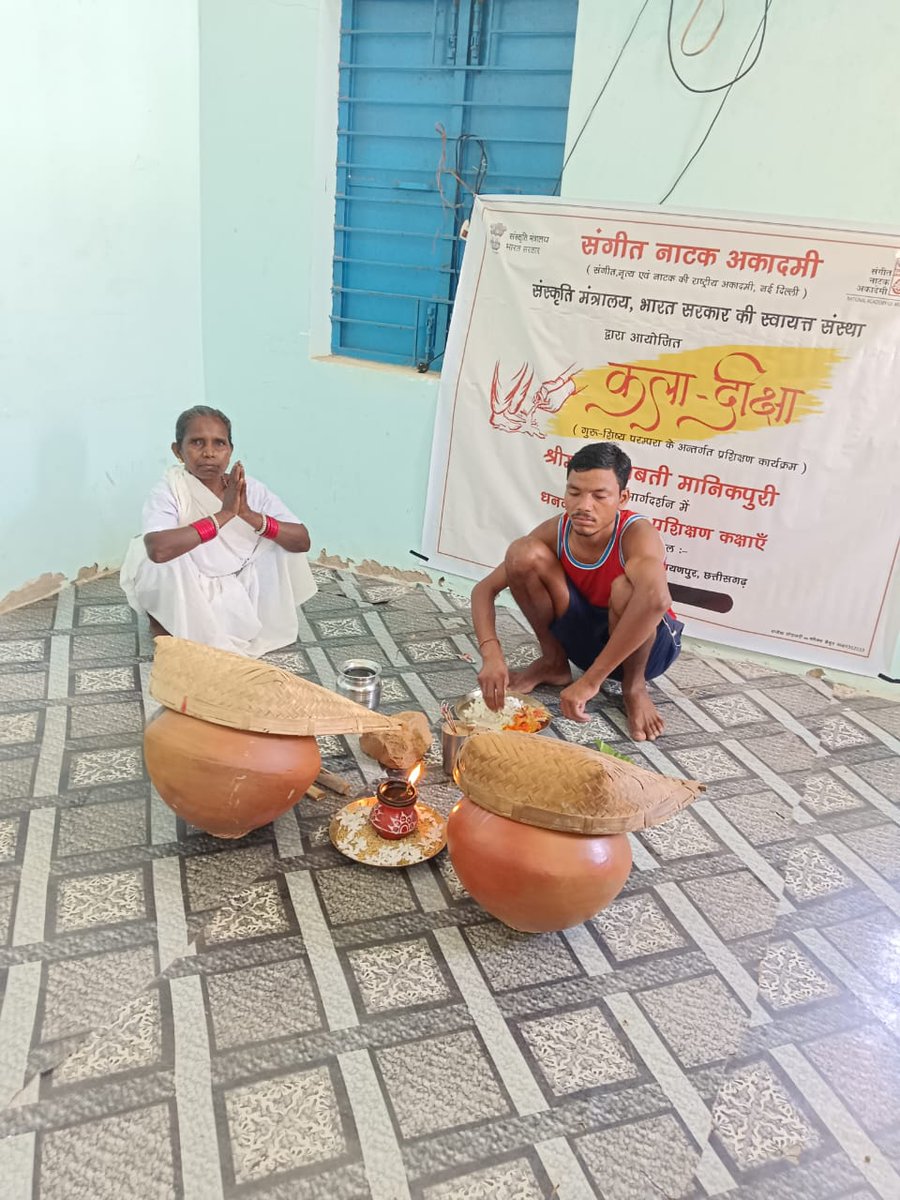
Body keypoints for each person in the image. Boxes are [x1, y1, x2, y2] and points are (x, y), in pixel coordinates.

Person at [471, 441, 683, 740]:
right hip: (588, 643)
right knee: (522, 553)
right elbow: (484, 590)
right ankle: (553, 662)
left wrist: (591, 681)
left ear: (623, 498)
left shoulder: (636, 534)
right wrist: (491, 655)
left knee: (627, 589)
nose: (584, 505)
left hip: (649, 651)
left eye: (599, 496)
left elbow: (657, 600)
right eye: (574, 493)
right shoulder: (557, 530)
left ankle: (633, 688)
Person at [120, 406, 316, 657]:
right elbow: (158, 550)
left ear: (230, 450)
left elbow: (302, 541)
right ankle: (166, 622)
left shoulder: (250, 489)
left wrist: (248, 515)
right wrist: (223, 516)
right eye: (197, 443)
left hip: (239, 580)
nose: (209, 453)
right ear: (177, 451)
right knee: (151, 557)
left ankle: (238, 621)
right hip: (191, 581)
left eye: (219, 444)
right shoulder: (169, 489)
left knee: (280, 540)